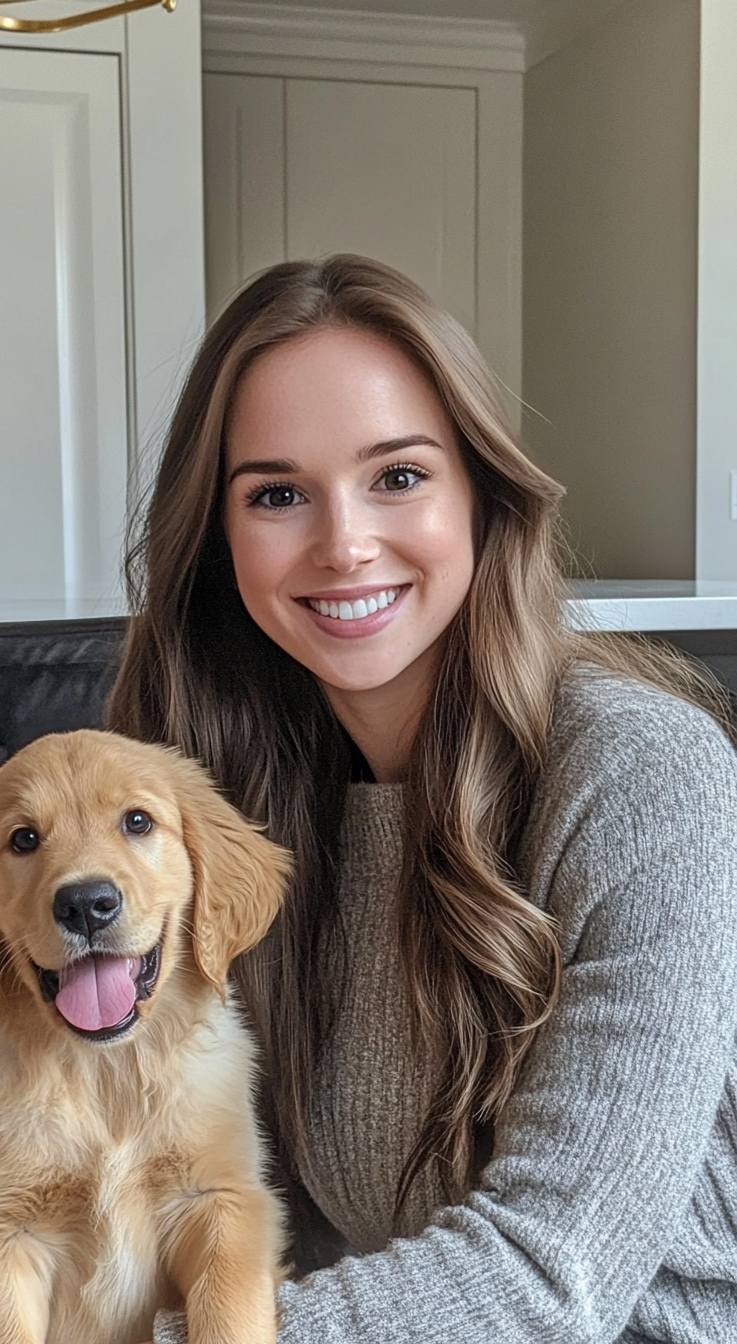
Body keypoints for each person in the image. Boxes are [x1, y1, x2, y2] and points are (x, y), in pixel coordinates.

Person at [108, 255, 737, 1344]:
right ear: (218, 541)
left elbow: (555, 1275)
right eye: (276, 493)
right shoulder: (241, 810)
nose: (342, 542)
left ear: (480, 499)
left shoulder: (642, 775)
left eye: (396, 476)